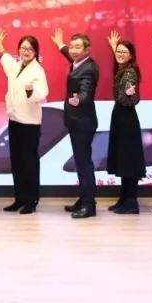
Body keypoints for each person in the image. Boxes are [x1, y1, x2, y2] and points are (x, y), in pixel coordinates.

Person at [0, 29, 48, 214]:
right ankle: (20, 198)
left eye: (30, 49)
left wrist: (31, 91)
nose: (26, 51)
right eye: (23, 48)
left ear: (35, 52)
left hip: (29, 123)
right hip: (14, 120)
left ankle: (31, 200)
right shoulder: (16, 66)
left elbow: (42, 93)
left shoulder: (37, 71)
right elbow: (6, 60)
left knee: (29, 162)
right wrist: (0, 45)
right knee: (16, 161)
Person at [52, 29, 100, 219]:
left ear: (87, 50)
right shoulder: (79, 62)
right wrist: (60, 45)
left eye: (77, 47)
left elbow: (86, 91)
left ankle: (89, 205)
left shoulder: (88, 68)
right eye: (71, 47)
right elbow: (70, 55)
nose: (72, 50)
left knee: (84, 163)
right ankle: (83, 199)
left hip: (83, 122)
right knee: (81, 162)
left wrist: (78, 99)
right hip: (77, 121)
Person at [105, 31, 146, 214]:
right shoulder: (123, 69)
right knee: (123, 159)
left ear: (131, 56)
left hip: (126, 119)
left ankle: (131, 202)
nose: (120, 54)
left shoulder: (129, 72)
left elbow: (132, 99)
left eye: (124, 52)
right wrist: (115, 47)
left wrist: (128, 95)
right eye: (118, 52)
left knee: (128, 160)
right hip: (121, 117)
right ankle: (124, 199)